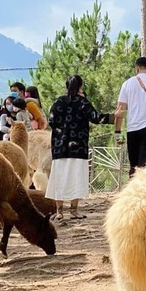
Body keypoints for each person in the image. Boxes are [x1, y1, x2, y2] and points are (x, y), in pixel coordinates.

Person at [45, 75, 113, 220]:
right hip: (78, 146)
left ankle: (59, 211)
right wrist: (115, 117)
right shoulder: (83, 102)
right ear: (81, 86)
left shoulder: (58, 102)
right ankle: (74, 210)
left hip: (59, 146)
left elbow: (51, 121)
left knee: (60, 177)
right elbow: (96, 118)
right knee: (76, 177)